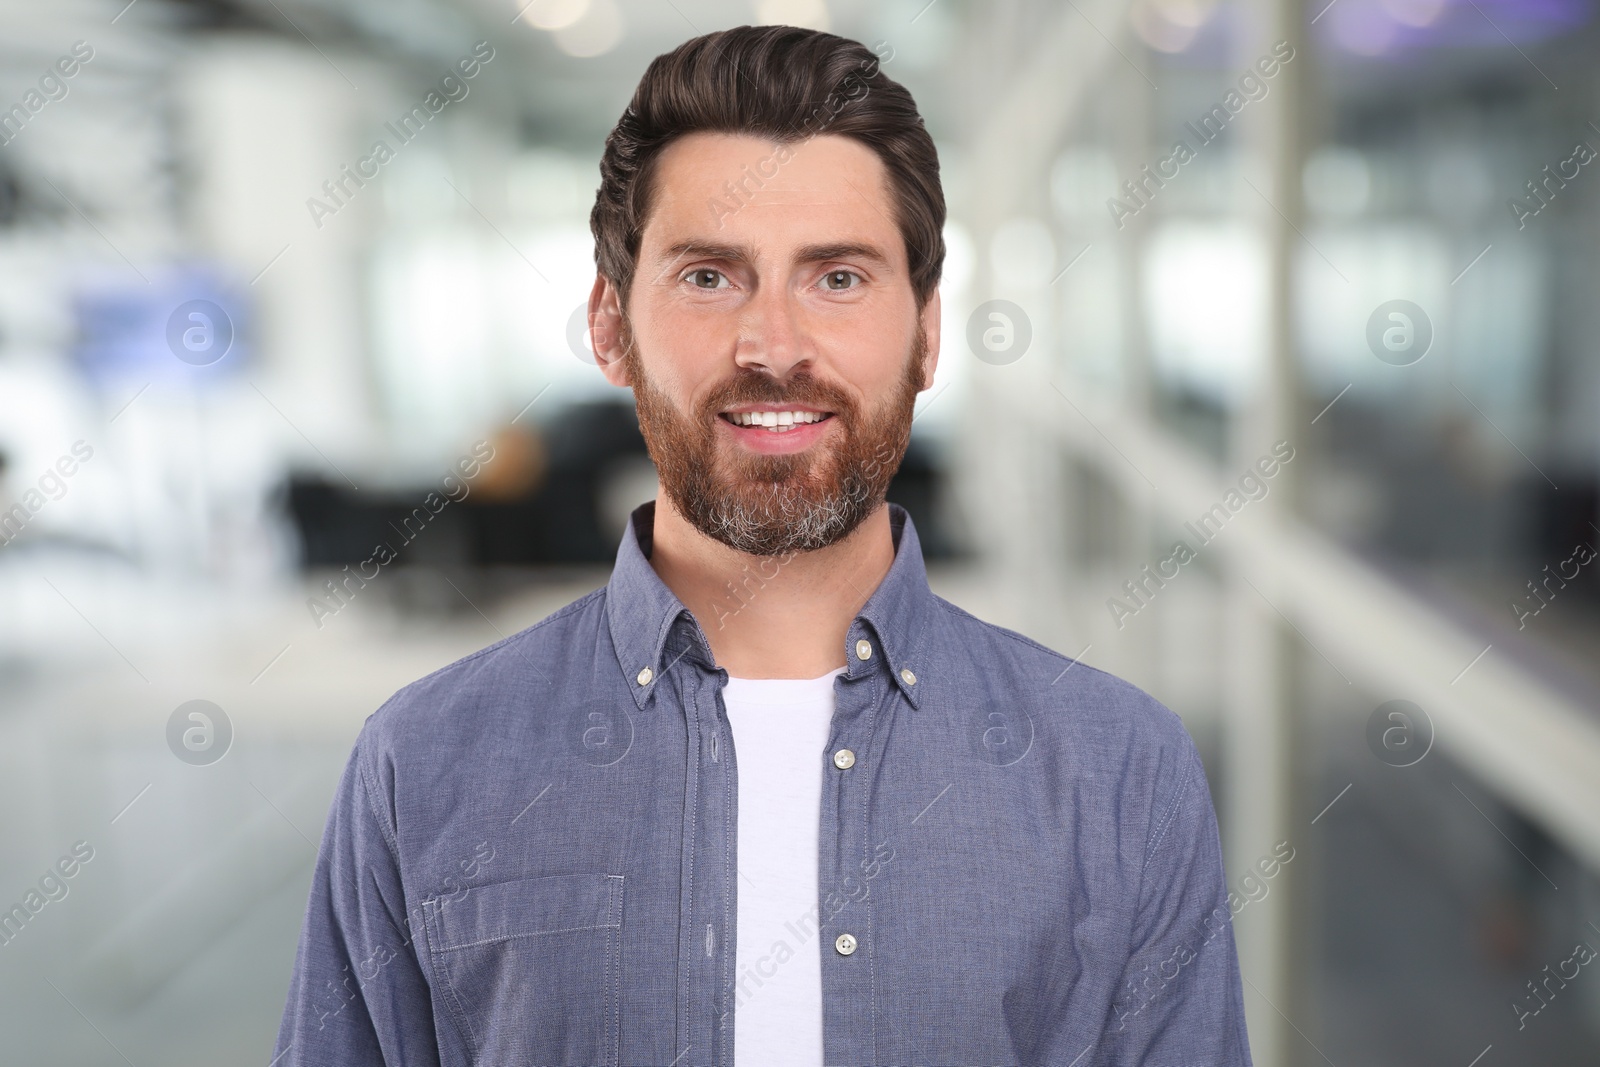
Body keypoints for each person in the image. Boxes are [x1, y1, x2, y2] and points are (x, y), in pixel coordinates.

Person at [273, 23, 1252, 1067]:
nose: (773, 345)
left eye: (837, 278)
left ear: (924, 332)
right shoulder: (422, 763)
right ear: (611, 326)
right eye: (708, 276)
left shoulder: (1119, 770)